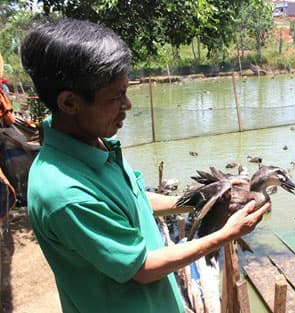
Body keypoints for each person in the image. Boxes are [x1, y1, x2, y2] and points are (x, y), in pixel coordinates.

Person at [21, 18, 270, 313]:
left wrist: (204, 201)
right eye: (116, 97)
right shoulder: (64, 194)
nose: (127, 105)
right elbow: (143, 268)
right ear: (70, 103)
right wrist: (226, 233)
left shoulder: (96, 143)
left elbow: (135, 198)